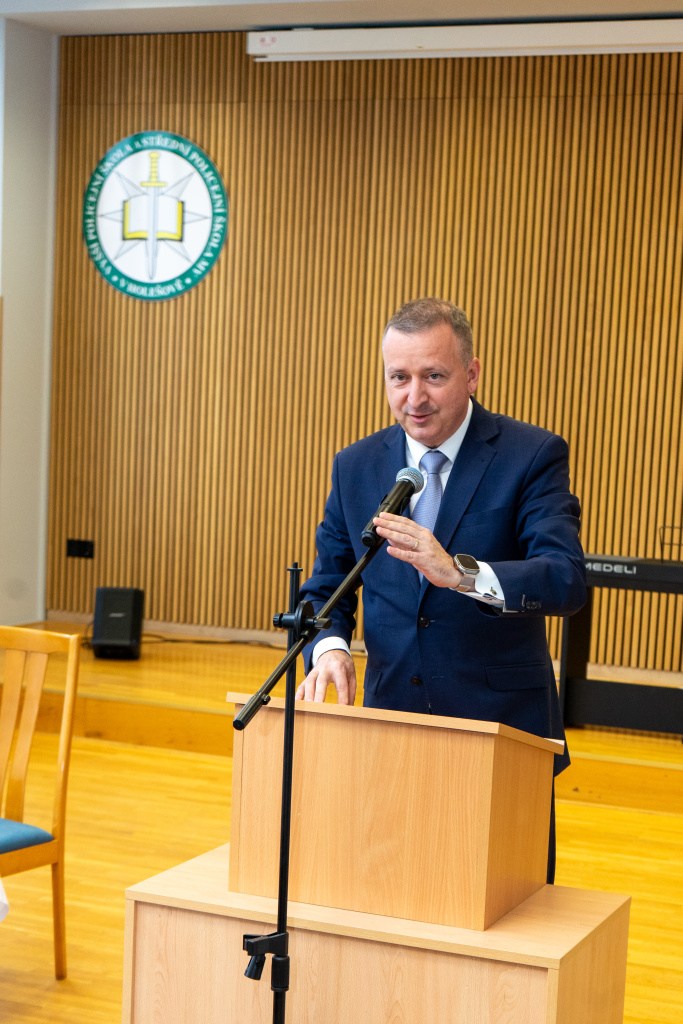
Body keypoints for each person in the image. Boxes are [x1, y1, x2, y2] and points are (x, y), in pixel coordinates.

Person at [296, 297, 587, 881]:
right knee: (392, 895)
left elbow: (564, 577)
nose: (415, 398)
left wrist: (460, 574)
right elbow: (328, 585)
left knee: (508, 909)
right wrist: (328, 647)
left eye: (433, 376)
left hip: (500, 733)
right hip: (390, 724)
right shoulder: (356, 465)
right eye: (398, 378)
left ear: (471, 374)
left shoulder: (531, 455)